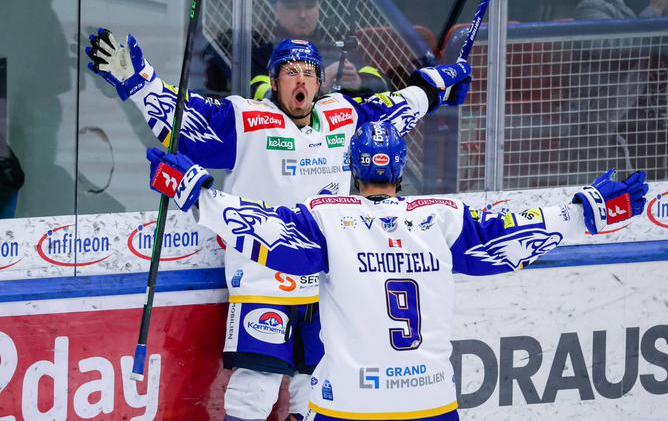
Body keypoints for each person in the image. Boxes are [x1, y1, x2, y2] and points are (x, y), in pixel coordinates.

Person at [146, 120, 648, 420]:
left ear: (353, 167)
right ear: (400, 169)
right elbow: (512, 237)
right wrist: (585, 212)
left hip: (352, 407)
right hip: (429, 402)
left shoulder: (329, 216)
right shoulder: (440, 218)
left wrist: (196, 194)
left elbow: (266, 234)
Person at [86, 30, 471, 420]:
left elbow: (387, 114)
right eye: (290, 72)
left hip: (328, 287)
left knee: (318, 385)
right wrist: (140, 79)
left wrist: (431, 89)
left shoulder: (342, 116)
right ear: (273, 82)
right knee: (254, 391)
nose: (301, 80)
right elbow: (187, 119)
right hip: (264, 280)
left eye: (309, 72)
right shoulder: (247, 120)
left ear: (320, 82)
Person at [204, 0, 390, 98]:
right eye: (293, 7)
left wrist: (359, 81)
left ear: (319, 9)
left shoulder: (336, 47)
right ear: (276, 10)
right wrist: (318, 85)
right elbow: (258, 94)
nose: (302, 14)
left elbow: (383, 84)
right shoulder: (261, 52)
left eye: (308, 7)